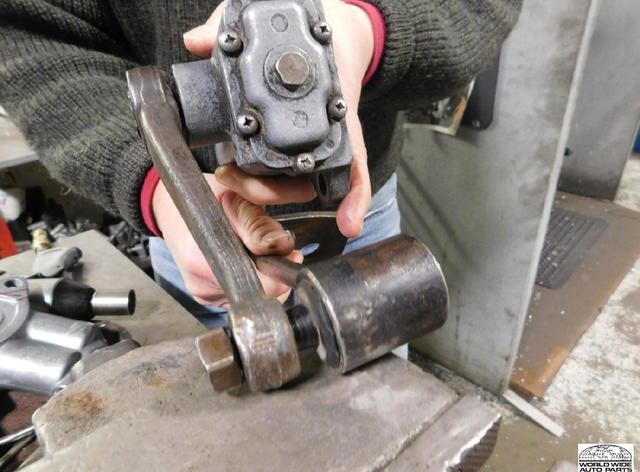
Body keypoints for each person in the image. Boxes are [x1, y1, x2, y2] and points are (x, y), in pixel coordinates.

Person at [0, 0, 522, 328]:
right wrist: (159, 185)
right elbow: (30, 40)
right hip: (192, 231)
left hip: (360, 212)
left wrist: (366, 28)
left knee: (382, 404)